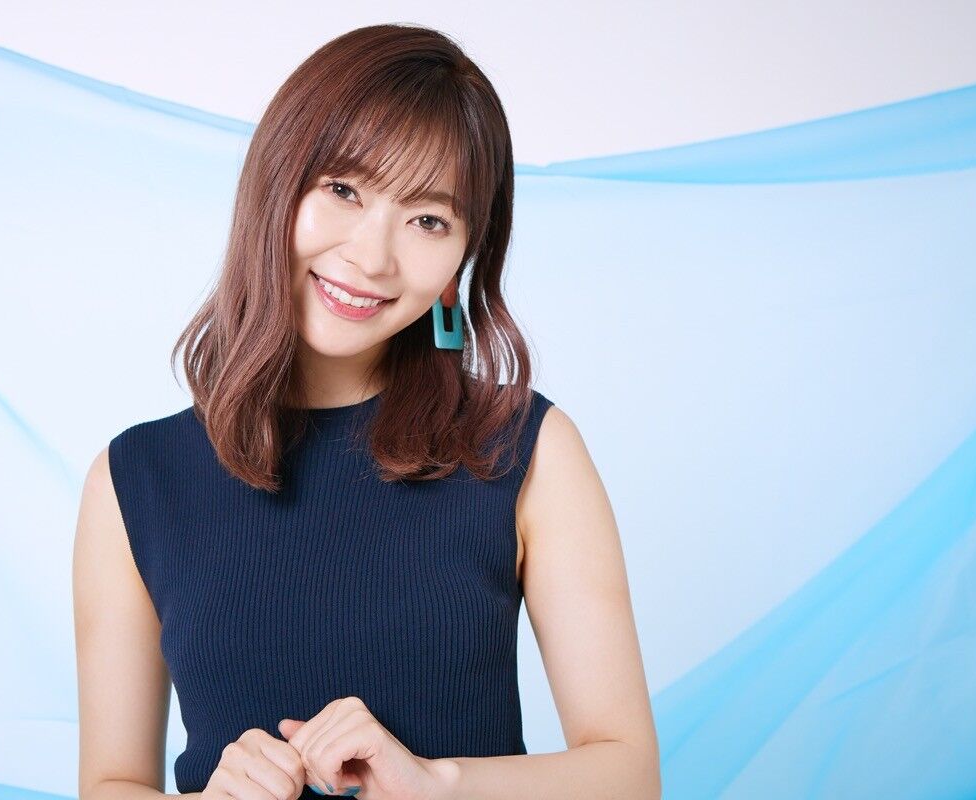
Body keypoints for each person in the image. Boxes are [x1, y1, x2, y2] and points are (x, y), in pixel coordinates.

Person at [73, 22, 660, 800]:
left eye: (428, 220)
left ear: (461, 259)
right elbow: (110, 782)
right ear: (276, 186)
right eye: (344, 190)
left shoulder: (527, 449)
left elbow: (630, 773)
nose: (372, 257)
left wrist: (436, 784)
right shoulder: (134, 479)